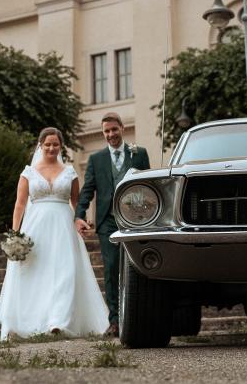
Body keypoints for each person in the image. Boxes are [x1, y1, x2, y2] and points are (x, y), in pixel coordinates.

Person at [0, 127, 108, 340]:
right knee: (34, 272)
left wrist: (80, 220)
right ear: (41, 145)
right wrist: (14, 233)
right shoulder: (28, 172)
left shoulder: (70, 172)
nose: (51, 148)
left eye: (55, 144)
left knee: (66, 272)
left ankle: (59, 321)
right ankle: (30, 321)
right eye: (47, 144)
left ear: (60, 146)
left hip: (63, 227)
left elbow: (76, 202)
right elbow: (19, 205)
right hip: (35, 228)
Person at [75, 112, 150, 337]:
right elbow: (88, 189)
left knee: (139, 266)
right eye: (106, 131)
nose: (110, 135)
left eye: (114, 130)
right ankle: (115, 320)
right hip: (107, 221)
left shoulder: (139, 153)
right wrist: (79, 214)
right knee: (110, 269)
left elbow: (148, 184)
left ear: (122, 128)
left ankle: (140, 315)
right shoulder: (96, 159)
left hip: (135, 220)